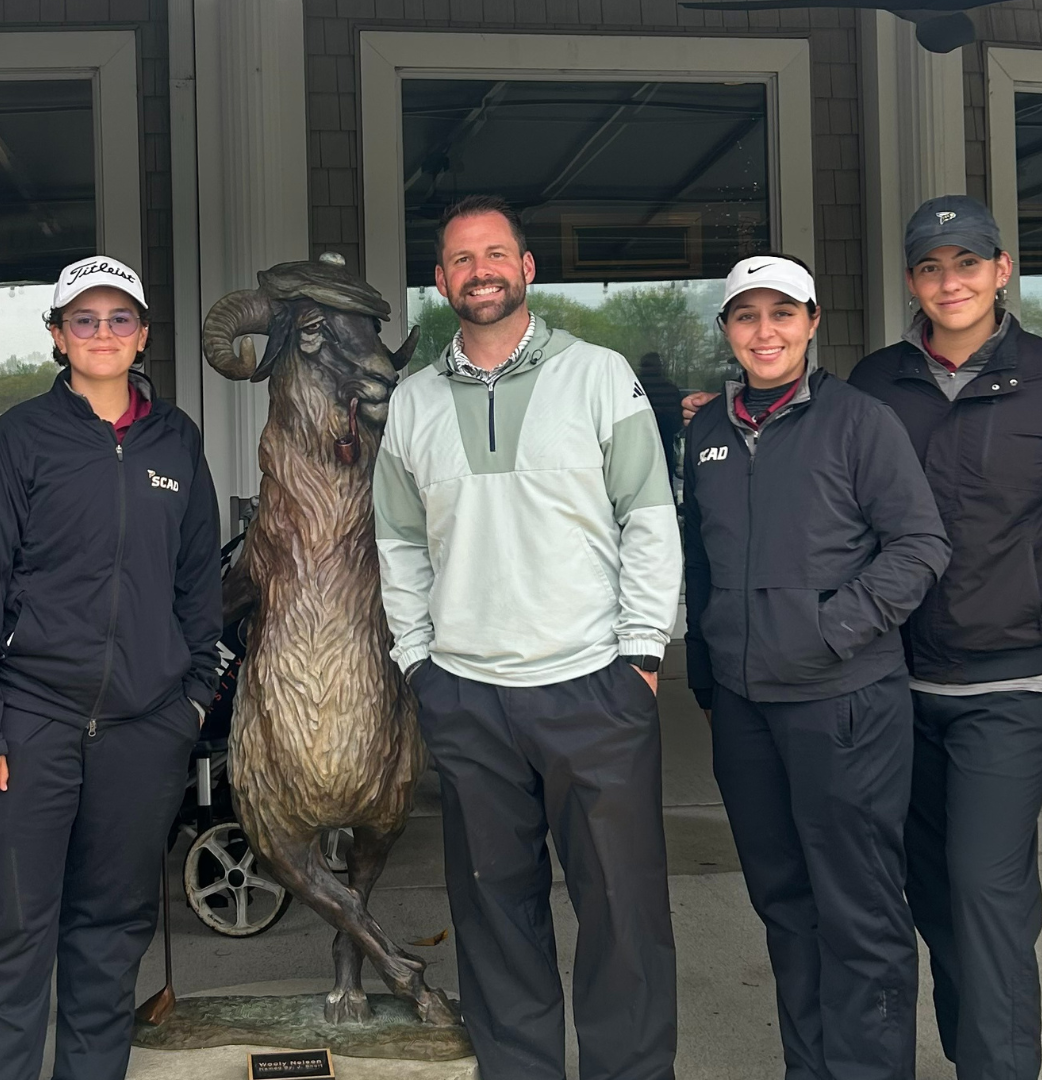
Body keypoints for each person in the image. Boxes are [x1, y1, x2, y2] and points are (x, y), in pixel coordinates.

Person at [374, 194, 682, 1080]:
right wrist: (419, 662)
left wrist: (641, 655)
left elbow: (650, 519)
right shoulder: (414, 404)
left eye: (495, 254)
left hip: (593, 684)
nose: (480, 271)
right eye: (461, 260)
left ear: (527, 268)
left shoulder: (599, 374)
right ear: (439, 281)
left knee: (624, 915)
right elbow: (397, 545)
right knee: (494, 917)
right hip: (467, 695)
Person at [0, 256, 222, 1080]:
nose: (103, 334)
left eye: (120, 319)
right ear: (59, 335)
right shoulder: (20, 438)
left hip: (144, 730)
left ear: (143, 334)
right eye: (85, 320)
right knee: (10, 938)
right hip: (31, 724)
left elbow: (198, 580)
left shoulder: (177, 439)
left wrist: (193, 700)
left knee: (111, 933)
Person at [844, 196, 1042, 1080]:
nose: (948, 282)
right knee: (936, 896)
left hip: (1010, 685)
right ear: (912, 280)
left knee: (987, 889)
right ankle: (972, 1056)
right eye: (929, 266)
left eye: (966, 263)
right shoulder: (873, 385)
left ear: (1001, 271)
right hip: (895, 683)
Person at [684, 255, 949, 1080]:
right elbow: (699, 557)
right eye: (746, 316)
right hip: (744, 706)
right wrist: (710, 663)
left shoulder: (860, 422)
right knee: (784, 904)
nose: (764, 332)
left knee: (860, 910)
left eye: (781, 314)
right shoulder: (705, 431)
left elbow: (920, 545)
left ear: (811, 321)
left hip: (844, 702)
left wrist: (835, 630)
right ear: (727, 330)